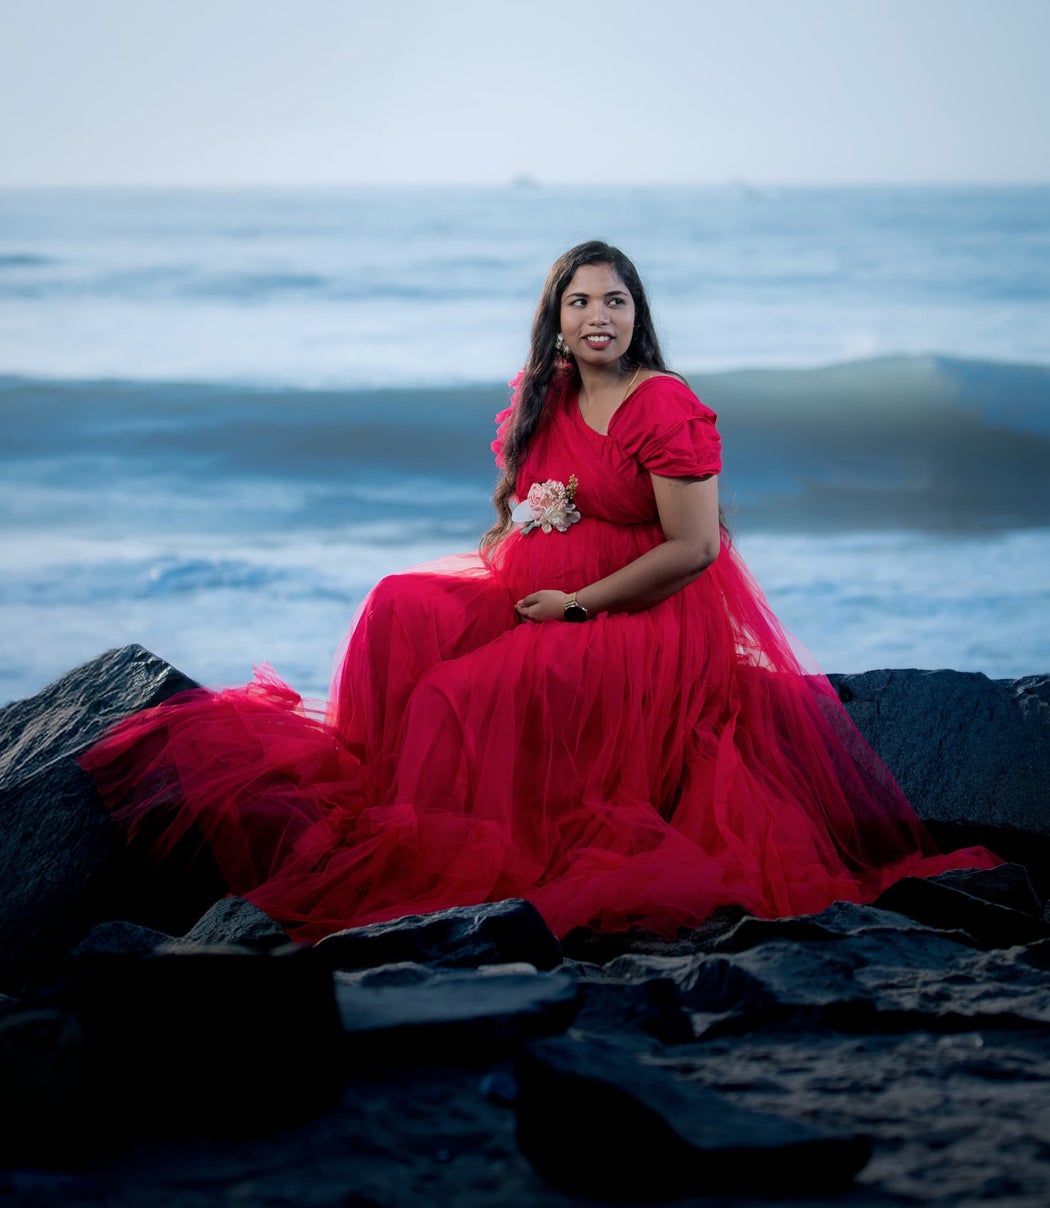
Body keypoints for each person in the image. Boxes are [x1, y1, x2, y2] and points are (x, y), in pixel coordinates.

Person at [81, 240, 999, 941]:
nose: (598, 315)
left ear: (639, 314)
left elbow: (691, 551)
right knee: (398, 603)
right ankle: (379, 792)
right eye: (579, 300)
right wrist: (517, 546)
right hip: (537, 585)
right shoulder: (549, 392)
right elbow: (524, 501)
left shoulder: (663, 405)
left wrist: (578, 605)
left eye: (615, 299)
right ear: (555, 318)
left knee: (457, 695)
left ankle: (462, 860)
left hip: (643, 616)